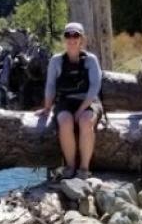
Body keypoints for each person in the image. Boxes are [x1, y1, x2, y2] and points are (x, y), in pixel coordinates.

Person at [35, 22, 103, 179]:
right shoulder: (56, 61)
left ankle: (84, 169)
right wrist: (47, 108)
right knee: (65, 122)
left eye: (76, 35)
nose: (72, 39)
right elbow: (50, 86)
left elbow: (95, 88)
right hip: (65, 101)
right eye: (68, 35)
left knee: (85, 121)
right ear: (64, 39)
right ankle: (70, 166)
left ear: (82, 39)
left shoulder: (90, 60)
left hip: (89, 102)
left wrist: (80, 111)